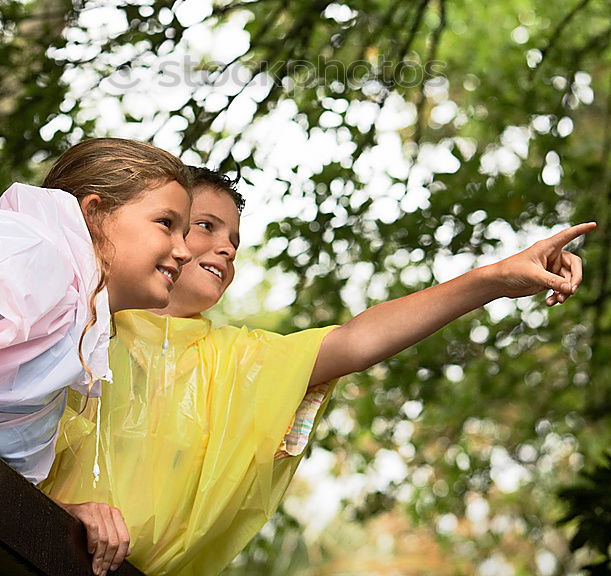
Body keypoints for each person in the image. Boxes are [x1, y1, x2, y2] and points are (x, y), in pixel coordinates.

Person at [41, 167, 594, 576]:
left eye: (234, 240)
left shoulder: (240, 357)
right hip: (13, 536)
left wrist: (496, 279)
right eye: (202, 226)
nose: (225, 249)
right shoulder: (76, 307)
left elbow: (357, 340)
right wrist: (63, 513)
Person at [0, 137, 192, 576]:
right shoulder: (43, 261)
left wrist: (57, 512)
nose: (184, 250)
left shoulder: (74, 317)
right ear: (94, 214)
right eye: (166, 223)